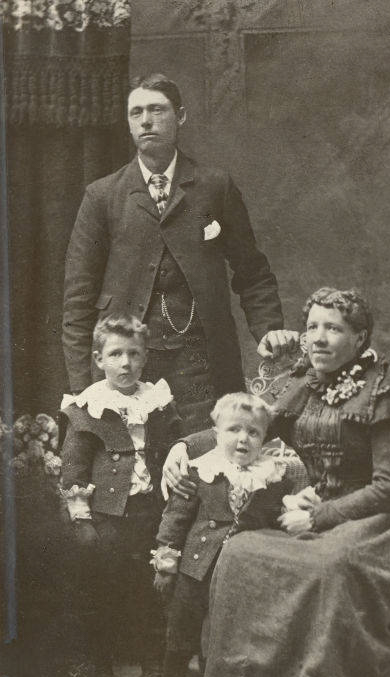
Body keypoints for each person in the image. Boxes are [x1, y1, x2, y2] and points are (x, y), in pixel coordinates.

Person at [163, 287, 390, 677]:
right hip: (306, 509)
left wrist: (320, 517)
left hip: (377, 525)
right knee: (240, 552)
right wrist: (183, 446)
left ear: (360, 337)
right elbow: (245, 421)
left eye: (334, 328)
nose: (319, 338)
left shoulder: (388, 389)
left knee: (330, 567)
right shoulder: (305, 381)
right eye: (312, 326)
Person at [62, 72, 299, 436]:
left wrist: (269, 330)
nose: (146, 121)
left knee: (201, 466)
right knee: (135, 476)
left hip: (200, 362)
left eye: (157, 110)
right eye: (136, 112)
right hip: (127, 366)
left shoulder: (215, 186)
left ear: (181, 116)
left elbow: (252, 273)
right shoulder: (103, 196)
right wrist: (83, 386)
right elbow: (77, 300)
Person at [60, 313, 179, 677]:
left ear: (145, 358)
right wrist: (82, 517)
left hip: (152, 511)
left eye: (134, 354)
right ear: (98, 359)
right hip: (108, 516)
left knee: (155, 593)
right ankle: (101, 671)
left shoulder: (157, 401)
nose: (125, 363)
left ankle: (156, 671)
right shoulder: (89, 406)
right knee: (104, 592)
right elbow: (74, 466)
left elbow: (175, 449)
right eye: (115, 354)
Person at [150, 392, 292, 677]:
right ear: (216, 434)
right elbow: (175, 518)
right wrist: (166, 562)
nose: (243, 438)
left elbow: (274, 522)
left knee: (229, 636)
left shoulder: (271, 478)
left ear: (263, 438)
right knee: (181, 633)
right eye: (234, 430)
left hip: (241, 573)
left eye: (253, 432)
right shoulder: (201, 471)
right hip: (196, 569)